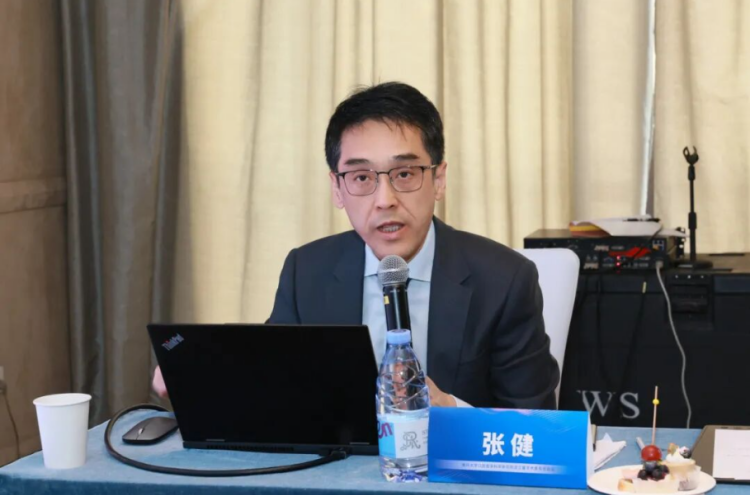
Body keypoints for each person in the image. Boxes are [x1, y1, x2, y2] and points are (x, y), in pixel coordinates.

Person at [153, 82, 559, 409]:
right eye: (362, 178)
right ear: (337, 188)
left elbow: (538, 428)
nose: (385, 200)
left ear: (438, 180)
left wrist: (450, 411)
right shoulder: (306, 271)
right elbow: (273, 376)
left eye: (404, 173)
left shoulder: (504, 279)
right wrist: (202, 374)